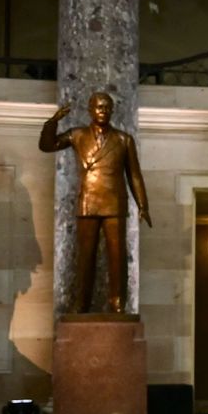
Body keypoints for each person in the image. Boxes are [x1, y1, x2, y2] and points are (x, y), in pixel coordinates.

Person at [39, 91, 150, 314]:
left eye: (107, 107)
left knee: (117, 255)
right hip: (88, 201)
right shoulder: (78, 135)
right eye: (99, 107)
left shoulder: (123, 139)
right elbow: (47, 145)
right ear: (90, 110)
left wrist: (143, 204)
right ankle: (81, 302)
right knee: (85, 256)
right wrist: (52, 122)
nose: (103, 111)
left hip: (114, 202)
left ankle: (118, 302)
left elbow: (134, 175)